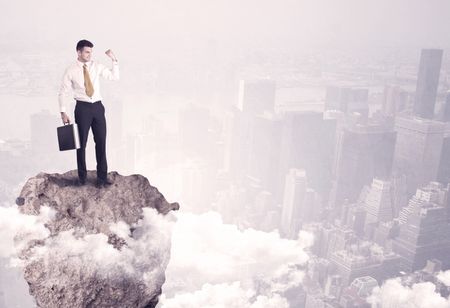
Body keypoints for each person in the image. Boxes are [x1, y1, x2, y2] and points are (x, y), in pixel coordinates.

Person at [58, 39, 120, 188]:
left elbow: (114, 77)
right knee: (81, 144)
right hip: (82, 108)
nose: (89, 55)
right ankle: (82, 178)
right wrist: (63, 112)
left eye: (91, 52)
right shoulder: (71, 70)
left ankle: (102, 178)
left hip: (98, 107)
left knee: (101, 142)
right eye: (87, 52)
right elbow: (63, 92)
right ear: (78, 52)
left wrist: (114, 60)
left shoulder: (96, 66)